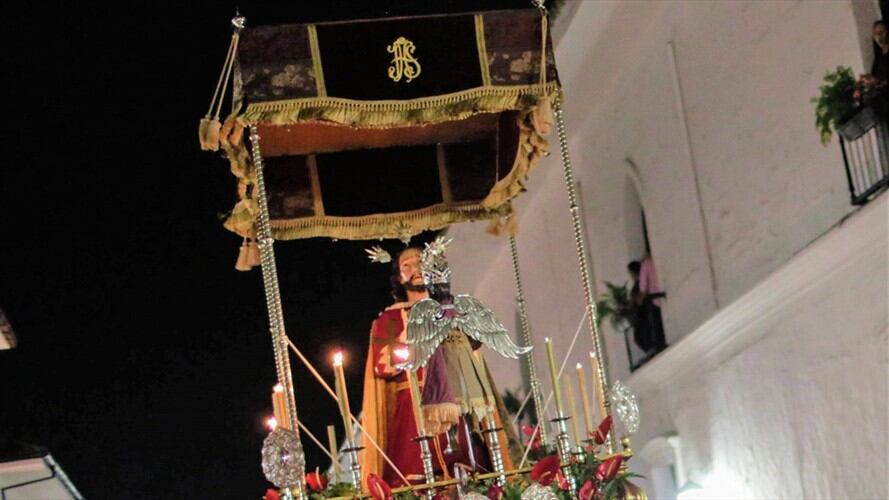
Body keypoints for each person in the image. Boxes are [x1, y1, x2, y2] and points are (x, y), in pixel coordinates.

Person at [360, 247, 493, 487]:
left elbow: (474, 343)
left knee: (468, 475)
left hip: (453, 402)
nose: (415, 269)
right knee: (414, 476)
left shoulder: (450, 310)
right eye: (407, 266)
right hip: (413, 406)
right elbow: (383, 366)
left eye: (421, 262)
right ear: (400, 278)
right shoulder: (388, 320)